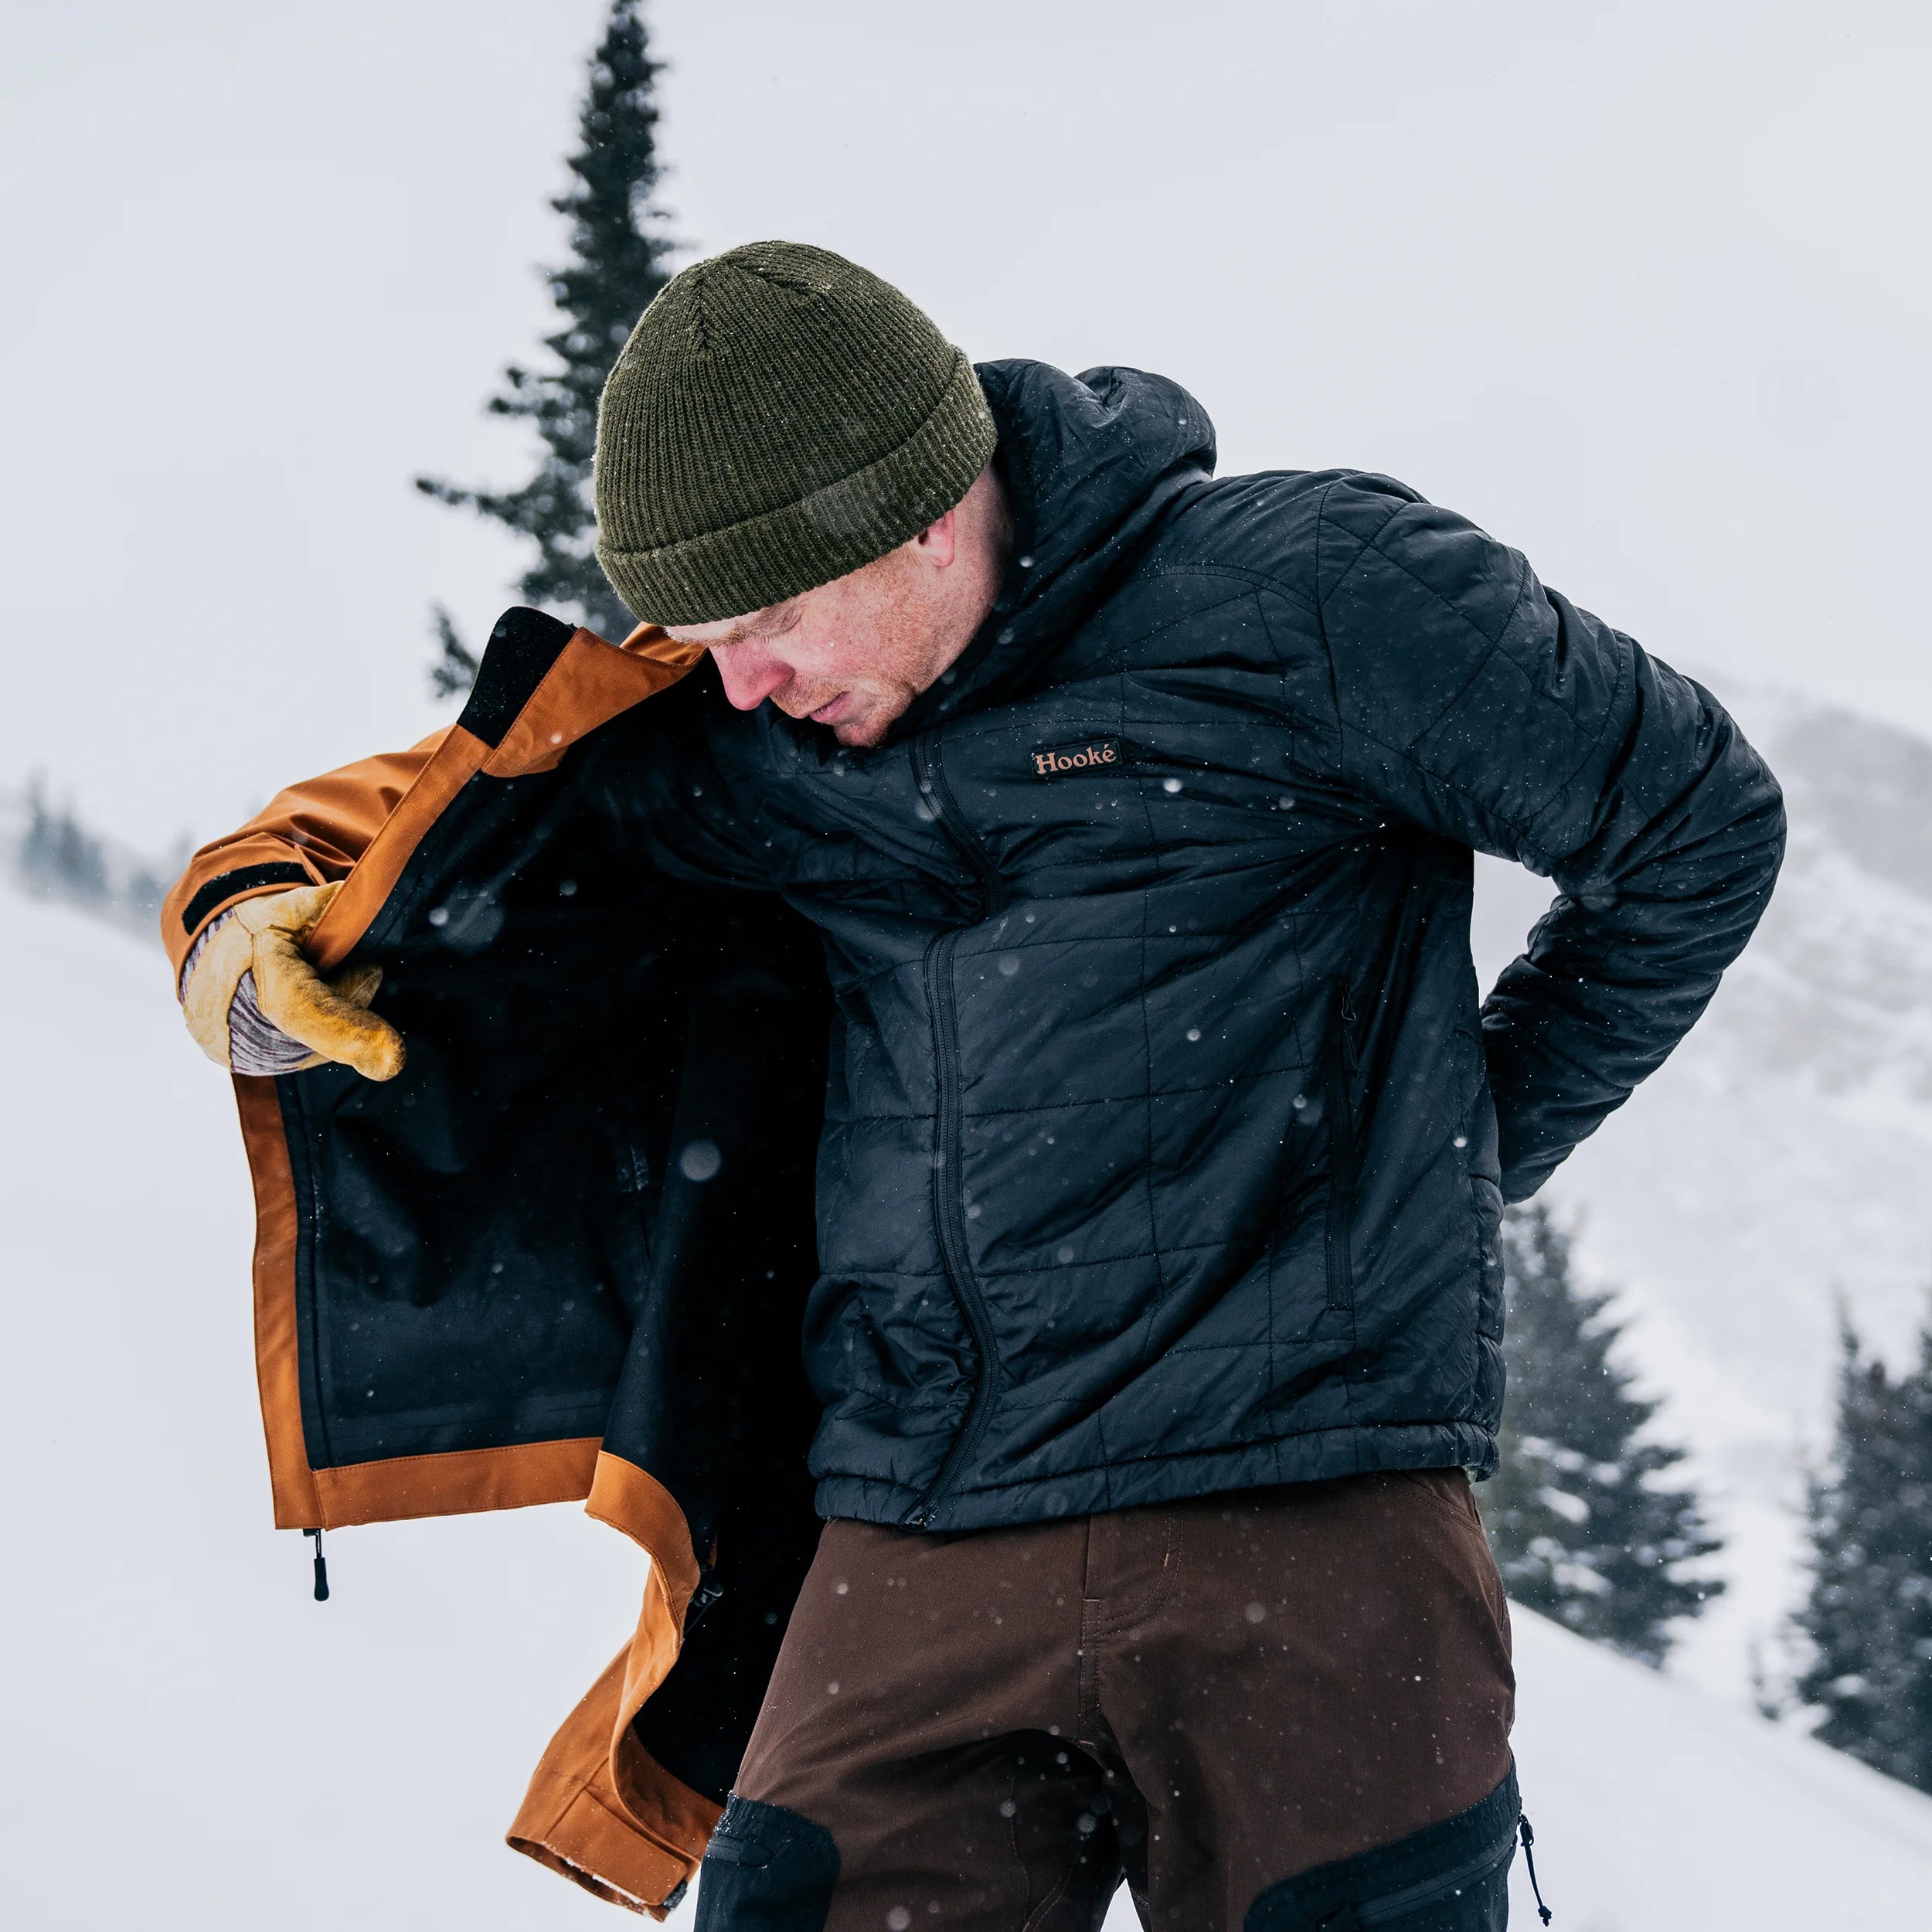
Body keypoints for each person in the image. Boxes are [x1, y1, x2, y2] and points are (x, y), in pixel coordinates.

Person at [168, 242, 1784, 1930]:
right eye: (711, 638)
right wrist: (248, 914)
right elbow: (468, 800)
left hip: (1309, 1506)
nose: (741, 680)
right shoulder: (766, 743)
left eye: (773, 619)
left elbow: (1693, 826)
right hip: (919, 1527)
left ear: (928, 514)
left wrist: (1457, 1146)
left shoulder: (1313, 591)